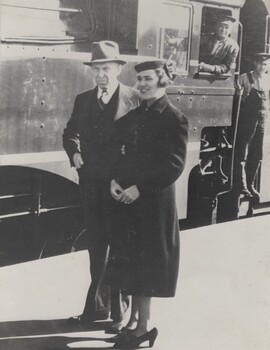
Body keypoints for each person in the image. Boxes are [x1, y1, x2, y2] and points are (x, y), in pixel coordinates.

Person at [105, 60, 188, 348]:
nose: (140, 84)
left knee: (147, 266)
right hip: (130, 201)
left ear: (162, 80)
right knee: (135, 264)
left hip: (153, 203)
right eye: (138, 79)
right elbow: (117, 153)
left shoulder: (173, 117)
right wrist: (114, 180)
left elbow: (174, 165)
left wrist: (140, 188)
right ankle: (134, 325)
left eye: (147, 79)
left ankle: (143, 328)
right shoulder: (135, 115)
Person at [62, 40, 140, 331]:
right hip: (92, 187)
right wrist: (76, 153)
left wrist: (128, 180)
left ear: (119, 68)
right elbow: (70, 133)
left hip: (119, 188)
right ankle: (97, 308)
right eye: (96, 70)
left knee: (120, 248)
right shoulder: (83, 100)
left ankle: (118, 312)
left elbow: (140, 145)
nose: (100, 76)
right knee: (97, 248)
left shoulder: (134, 98)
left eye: (106, 69)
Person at [233, 52, 270, 199]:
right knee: (242, 153)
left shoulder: (268, 79)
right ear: (255, 63)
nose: (263, 67)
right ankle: (241, 186)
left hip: (262, 121)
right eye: (261, 63)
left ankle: (250, 184)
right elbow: (237, 102)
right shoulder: (244, 78)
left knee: (257, 154)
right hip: (247, 121)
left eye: (266, 64)